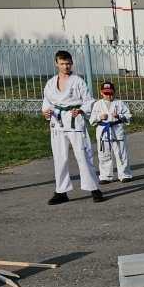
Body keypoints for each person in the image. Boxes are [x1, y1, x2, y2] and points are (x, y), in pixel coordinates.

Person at [40, 50, 103, 204]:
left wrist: (81, 109)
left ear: (71, 63)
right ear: (56, 64)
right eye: (62, 63)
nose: (66, 66)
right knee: (60, 157)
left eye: (68, 63)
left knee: (83, 154)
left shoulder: (78, 81)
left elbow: (88, 100)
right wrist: (46, 113)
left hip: (74, 119)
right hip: (57, 121)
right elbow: (47, 102)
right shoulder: (50, 83)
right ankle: (61, 191)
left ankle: (94, 189)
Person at [89, 81, 133, 183]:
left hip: (117, 130)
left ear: (114, 92)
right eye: (106, 93)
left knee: (121, 154)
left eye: (111, 93)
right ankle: (105, 176)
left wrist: (119, 116)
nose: (109, 96)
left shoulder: (120, 103)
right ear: (101, 93)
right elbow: (91, 120)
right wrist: (99, 117)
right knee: (104, 155)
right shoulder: (97, 104)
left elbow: (128, 116)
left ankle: (124, 174)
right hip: (103, 131)